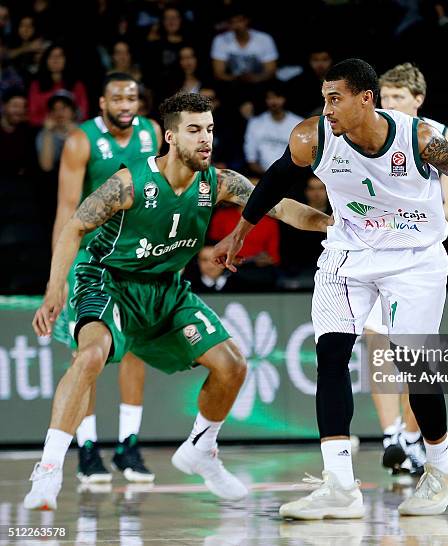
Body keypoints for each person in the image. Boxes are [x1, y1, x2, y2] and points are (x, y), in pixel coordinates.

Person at [213, 58, 448, 519]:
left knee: (413, 363)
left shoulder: (420, 138)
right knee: (331, 355)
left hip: (414, 258)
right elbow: (273, 182)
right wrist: (239, 233)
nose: (327, 109)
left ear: (365, 99)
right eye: (324, 98)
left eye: (335, 98)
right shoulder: (314, 137)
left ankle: (441, 472)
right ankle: (340, 484)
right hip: (347, 255)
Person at [24, 91, 331, 511]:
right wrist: (54, 289)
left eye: (209, 129)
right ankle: (49, 469)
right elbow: (74, 227)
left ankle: (201, 448)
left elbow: (281, 208)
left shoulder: (219, 182)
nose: (205, 139)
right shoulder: (129, 183)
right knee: (90, 356)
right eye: (194, 130)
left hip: (167, 289)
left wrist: (333, 224)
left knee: (233, 365)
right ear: (170, 137)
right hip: (109, 282)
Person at [51, 73, 162, 485]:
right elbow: (66, 211)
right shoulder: (81, 141)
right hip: (91, 260)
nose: (125, 104)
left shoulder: (152, 133)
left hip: (137, 256)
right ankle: (87, 448)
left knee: (134, 350)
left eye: (132, 97)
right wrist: (56, 276)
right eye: (117, 97)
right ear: (101, 102)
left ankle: (128, 445)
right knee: (89, 353)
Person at [365, 62, 448, 476]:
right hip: (373, 253)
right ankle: (391, 436)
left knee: (412, 351)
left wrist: (407, 220)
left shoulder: (438, 135)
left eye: (398, 98)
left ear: (418, 100)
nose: (389, 105)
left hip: (417, 256)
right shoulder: (367, 132)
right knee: (375, 341)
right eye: (384, 98)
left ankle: (412, 437)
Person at [243, 81, 303, 175]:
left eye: (278, 97)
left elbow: (303, 157)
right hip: (261, 177)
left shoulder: (299, 123)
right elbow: (251, 158)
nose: (274, 101)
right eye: (270, 98)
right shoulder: (255, 123)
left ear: (285, 98)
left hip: (292, 177)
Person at [28, 44, 88, 126]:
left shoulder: (77, 85)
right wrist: (49, 122)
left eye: (60, 56)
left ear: (66, 59)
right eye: (51, 56)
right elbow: (33, 116)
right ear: (45, 60)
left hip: (72, 128)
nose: (55, 60)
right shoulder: (36, 85)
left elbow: (83, 114)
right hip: (44, 128)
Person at [36, 92, 77, 173]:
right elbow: (46, 166)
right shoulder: (44, 134)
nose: (59, 113)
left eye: (64, 108)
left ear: (73, 112)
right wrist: (48, 132)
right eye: (54, 109)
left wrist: (75, 133)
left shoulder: (84, 130)